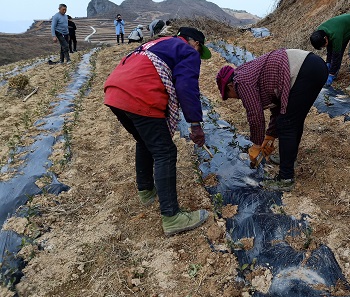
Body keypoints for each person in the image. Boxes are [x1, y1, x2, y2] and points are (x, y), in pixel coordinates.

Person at [104, 26, 212, 236]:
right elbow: (186, 86)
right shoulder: (187, 50)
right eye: (200, 51)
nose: (198, 55)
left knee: (144, 141)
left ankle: (146, 191)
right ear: (195, 43)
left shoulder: (158, 43)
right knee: (165, 151)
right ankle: (172, 217)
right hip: (139, 93)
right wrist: (195, 123)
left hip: (115, 91)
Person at [216, 49, 328, 192]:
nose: (235, 98)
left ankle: (286, 178)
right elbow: (278, 107)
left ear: (230, 86)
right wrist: (269, 136)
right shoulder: (246, 74)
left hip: (304, 71)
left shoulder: (240, 82)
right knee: (292, 119)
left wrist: (256, 144)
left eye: (229, 95)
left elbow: (255, 115)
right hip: (313, 66)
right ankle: (288, 160)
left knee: (287, 123)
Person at [310, 13, 350, 91]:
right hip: (344, 29)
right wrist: (328, 65)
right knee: (336, 52)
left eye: (323, 45)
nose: (324, 47)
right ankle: (334, 73)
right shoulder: (320, 32)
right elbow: (330, 51)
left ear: (326, 38)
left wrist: (331, 74)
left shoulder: (336, 35)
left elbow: (336, 56)